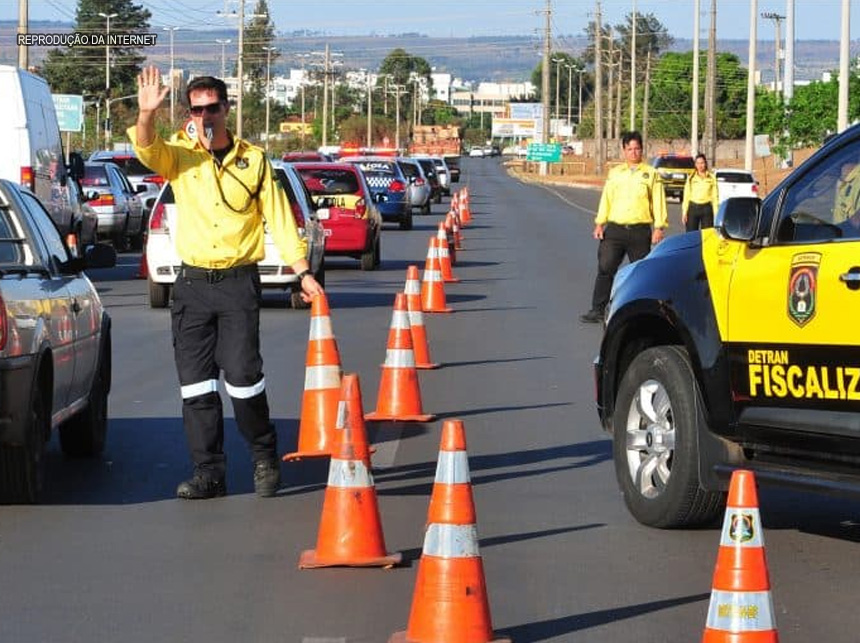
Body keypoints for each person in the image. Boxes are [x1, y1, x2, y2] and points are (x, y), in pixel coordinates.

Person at [128, 66, 324, 499]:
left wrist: (302, 272)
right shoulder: (180, 155)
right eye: (196, 110)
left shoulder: (253, 161)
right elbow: (146, 150)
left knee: (242, 378)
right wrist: (146, 115)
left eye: (212, 108)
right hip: (193, 285)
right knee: (196, 384)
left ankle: (263, 455)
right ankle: (208, 473)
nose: (205, 116)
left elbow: (278, 217)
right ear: (189, 114)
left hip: (237, 284)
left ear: (226, 108)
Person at [580, 131, 668, 324]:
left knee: (641, 273)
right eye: (629, 149)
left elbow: (659, 202)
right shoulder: (615, 174)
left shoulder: (651, 174)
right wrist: (599, 223)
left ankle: (641, 313)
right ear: (624, 150)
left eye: (637, 148)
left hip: (640, 231)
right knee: (605, 268)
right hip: (615, 231)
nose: (633, 152)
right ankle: (598, 309)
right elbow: (607, 199)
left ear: (642, 150)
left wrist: (659, 227)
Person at [681, 153, 719, 232]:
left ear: (705, 163)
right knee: (691, 235)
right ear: (695, 164)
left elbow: (715, 197)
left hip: (706, 208)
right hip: (693, 208)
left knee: (707, 234)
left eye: (702, 163)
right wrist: (684, 212)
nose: (700, 165)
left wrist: (716, 214)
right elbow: (686, 196)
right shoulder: (691, 177)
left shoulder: (711, 178)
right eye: (698, 163)